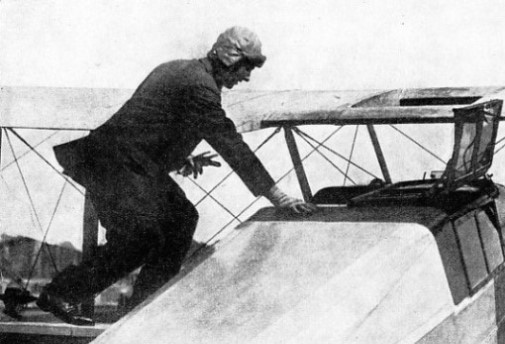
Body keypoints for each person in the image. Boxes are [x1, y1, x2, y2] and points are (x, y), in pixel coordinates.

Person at [36, 26, 315, 325]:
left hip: (123, 161)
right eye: (246, 68)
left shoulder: (178, 70)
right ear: (230, 59)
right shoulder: (201, 87)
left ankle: (142, 307)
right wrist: (278, 196)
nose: (245, 77)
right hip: (114, 163)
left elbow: (146, 123)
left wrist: (182, 159)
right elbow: (229, 143)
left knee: (180, 220)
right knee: (141, 236)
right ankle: (66, 294)